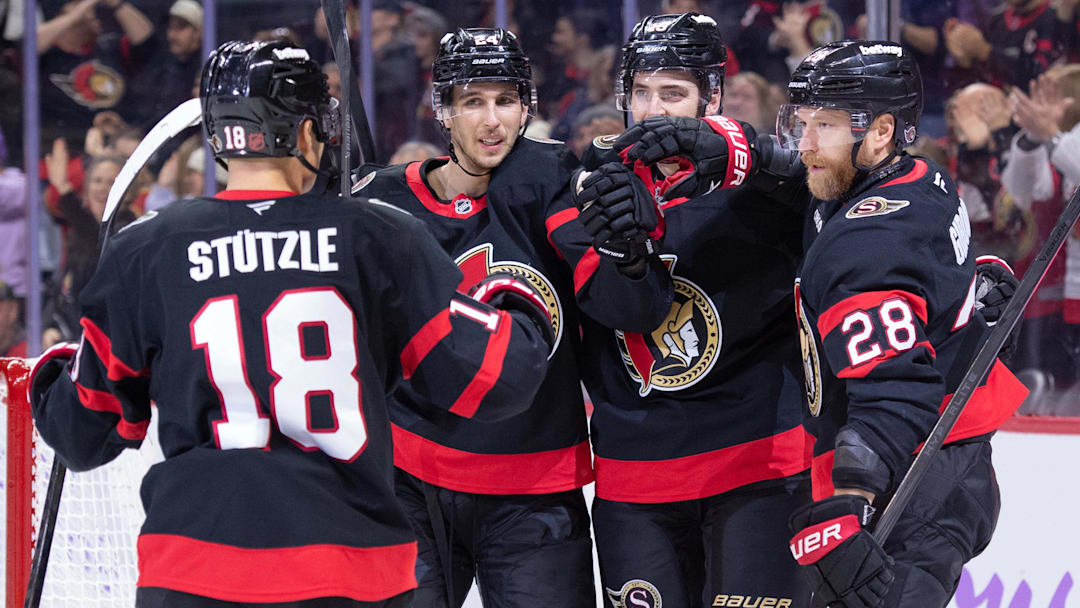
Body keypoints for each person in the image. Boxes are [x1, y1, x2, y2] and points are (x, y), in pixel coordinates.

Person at [19, 39, 556, 608]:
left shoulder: (148, 248)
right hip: (351, 570)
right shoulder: (378, 236)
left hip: (194, 570)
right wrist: (516, 296)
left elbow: (83, 433)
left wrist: (54, 369)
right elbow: (499, 380)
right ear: (307, 135)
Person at [355, 28, 656, 608]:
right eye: (473, 101)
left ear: (527, 107)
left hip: (533, 494)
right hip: (411, 479)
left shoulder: (551, 184)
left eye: (506, 101)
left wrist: (631, 253)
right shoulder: (385, 202)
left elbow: (631, 309)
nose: (492, 121)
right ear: (442, 109)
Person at [553, 13, 813, 608]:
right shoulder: (590, 191)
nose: (652, 110)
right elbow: (627, 310)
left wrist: (741, 148)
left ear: (710, 98)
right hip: (635, 479)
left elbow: (838, 188)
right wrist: (624, 248)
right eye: (641, 92)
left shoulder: (761, 187)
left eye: (672, 93)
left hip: (757, 471)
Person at [779, 40, 1029, 607]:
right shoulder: (917, 177)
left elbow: (893, 389)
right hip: (948, 464)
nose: (807, 144)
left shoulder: (868, 243)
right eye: (803, 122)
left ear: (882, 131)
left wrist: (850, 500)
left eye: (825, 126)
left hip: (913, 482)